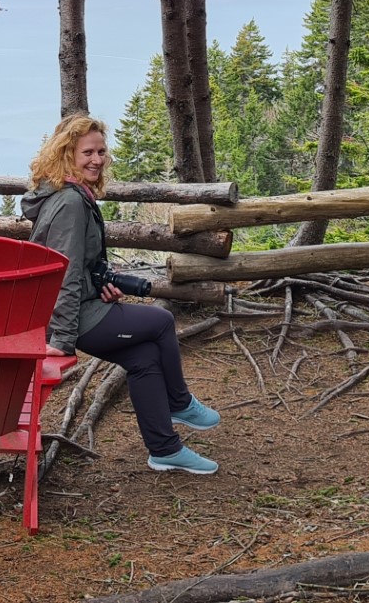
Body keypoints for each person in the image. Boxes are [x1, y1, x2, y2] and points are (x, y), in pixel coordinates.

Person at [21, 114, 222, 474]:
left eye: (101, 152)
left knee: (144, 357)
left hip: (73, 307)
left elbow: (72, 266)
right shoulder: (69, 202)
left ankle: (165, 449)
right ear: (67, 154)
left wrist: (100, 284)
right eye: (87, 152)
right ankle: (179, 403)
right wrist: (62, 340)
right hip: (68, 318)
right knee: (161, 321)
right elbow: (64, 272)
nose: (97, 160)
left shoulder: (67, 194)